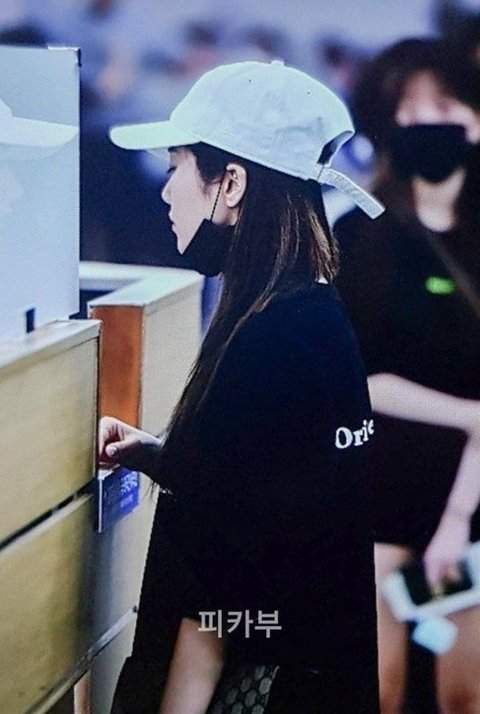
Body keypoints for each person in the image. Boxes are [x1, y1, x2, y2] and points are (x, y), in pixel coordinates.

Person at [100, 59, 383, 713]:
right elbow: (273, 496)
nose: (166, 191)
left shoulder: (270, 341)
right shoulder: (310, 316)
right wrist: (164, 456)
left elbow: (227, 601)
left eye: (176, 167)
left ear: (231, 183)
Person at [334, 39, 480, 714]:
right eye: (410, 108)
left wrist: (457, 518)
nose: (427, 123)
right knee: (378, 689)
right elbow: (355, 376)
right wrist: (469, 415)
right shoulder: (361, 236)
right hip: (382, 490)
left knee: (463, 694)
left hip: (472, 492)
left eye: (444, 107)